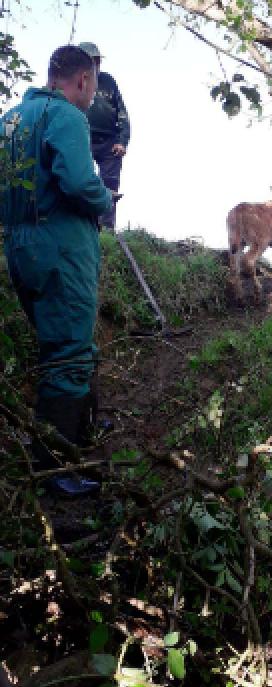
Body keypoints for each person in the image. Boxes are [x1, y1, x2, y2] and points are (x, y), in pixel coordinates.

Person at [1, 45, 115, 497]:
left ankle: (78, 431)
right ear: (84, 80)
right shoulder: (67, 115)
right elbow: (76, 181)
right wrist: (104, 198)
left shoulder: (10, 119)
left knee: (58, 346)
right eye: (92, 88)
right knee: (69, 351)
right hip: (61, 248)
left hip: (19, 247)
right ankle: (54, 474)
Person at [78, 42, 129, 230]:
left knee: (110, 184)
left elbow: (122, 113)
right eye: (92, 61)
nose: (96, 65)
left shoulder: (108, 81)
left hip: (109, 142)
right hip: (83, 138)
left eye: (97, 61)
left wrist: (122, 140)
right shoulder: (74, 81)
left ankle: (107, 228)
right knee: (81, 180)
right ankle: (83, 224)